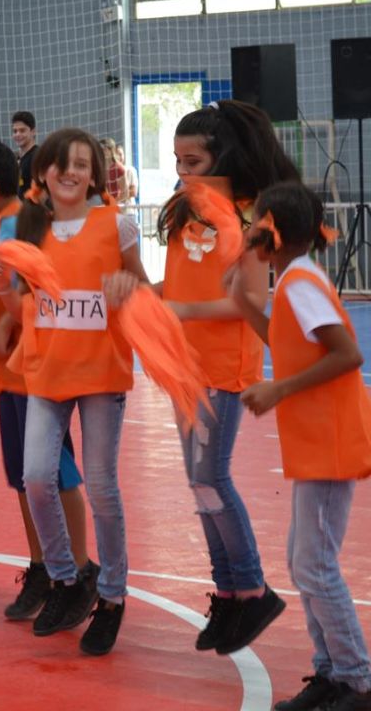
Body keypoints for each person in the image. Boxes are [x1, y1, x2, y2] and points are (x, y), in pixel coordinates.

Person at [0, 129, 147, 656]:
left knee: (101, 487)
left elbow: (143, 289)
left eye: (83, 164)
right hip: (48, 376)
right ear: (44, 173)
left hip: (102, 375)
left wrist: (130, 289)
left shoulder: (118, 227)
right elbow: (28, 312)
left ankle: (114, 597)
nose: (72, 172)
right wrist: (4, 289)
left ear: (95, 175)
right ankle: (67, 578)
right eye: (63, 164)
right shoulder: (32, 230)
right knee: (35, 477)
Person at [156, 100, 298, 654]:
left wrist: (179, 311)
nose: (182, 172)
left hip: (222, 370)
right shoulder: (182, 214)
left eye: (193, 162)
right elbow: (175, 288)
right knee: (199, 483)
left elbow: (248, 302)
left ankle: (254, 589)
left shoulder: (249, 219)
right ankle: (229, 592)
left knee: (211, 477)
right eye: (177, 161)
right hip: (181, 366)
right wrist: (138, 297)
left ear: (223, 159)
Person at [230, 182, 371, 711]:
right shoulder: (291, 281)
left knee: (314, 564)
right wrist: (245, 307)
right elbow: (291, 344)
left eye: (254, 222)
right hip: (315, 441)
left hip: (329, 440)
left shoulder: (301, 283)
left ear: (273, 232)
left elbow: (346, 353)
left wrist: (277, 389)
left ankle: (355, 680)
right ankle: (331, 670)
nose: (248, 231)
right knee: (303, 559)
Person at [0, 139, 93, 621]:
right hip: (10, 374)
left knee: (55, 474)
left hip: (36, 370)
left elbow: (37, 287)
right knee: (22, 478)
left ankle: (78, 569)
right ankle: (43, 566)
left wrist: (10, 323)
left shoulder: (19, 222)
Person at [12, 111, 37, 192]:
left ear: (33, 132)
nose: (17, 134)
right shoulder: (16, 158)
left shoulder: (37, 156)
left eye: (22, 130)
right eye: (15, 131)